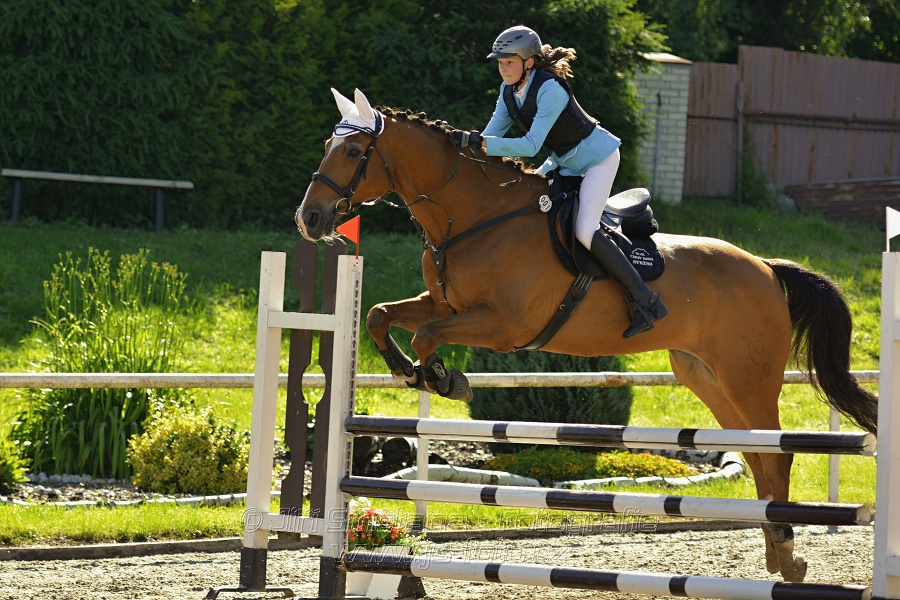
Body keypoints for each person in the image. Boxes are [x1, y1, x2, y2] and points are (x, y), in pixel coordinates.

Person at [449, 25, 667, 338]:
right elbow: (491, 136)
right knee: (527, 207)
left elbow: (530, 145)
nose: (502, 68)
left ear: (529, 62)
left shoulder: (550, 89)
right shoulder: (508, 91)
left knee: (584, 229)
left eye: (508, 61)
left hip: (597, 159)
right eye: (499, 62)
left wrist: (481, 144)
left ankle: (645, 301)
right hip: (564, 162)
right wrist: (464, 145)